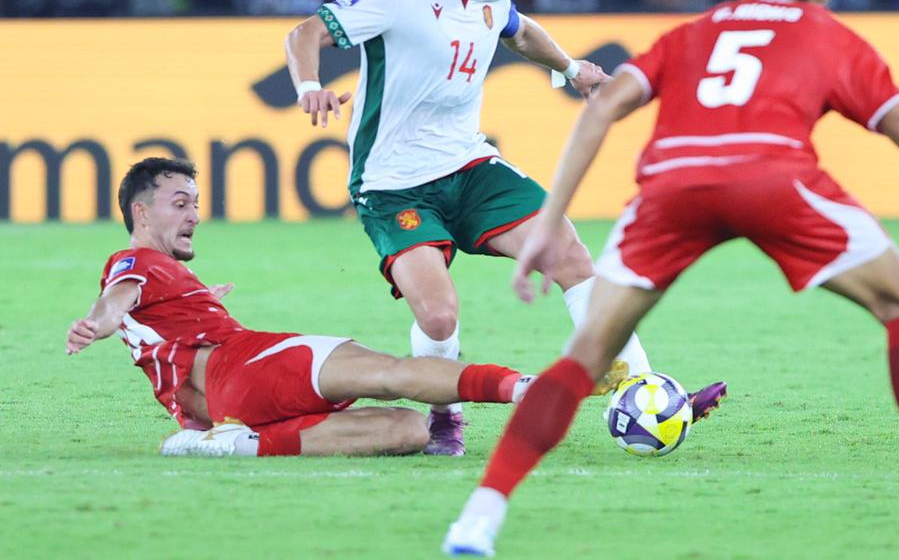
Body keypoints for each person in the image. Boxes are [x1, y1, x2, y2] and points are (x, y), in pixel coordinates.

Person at [443, 0, 899, 555]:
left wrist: (551, 219)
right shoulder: (829, 32)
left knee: (587, 355)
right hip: (774, 178)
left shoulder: (693, 32)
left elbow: (602, 107)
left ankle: (478, 520)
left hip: (673, 185)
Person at [284, 0, 725, 457]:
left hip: (469, 166)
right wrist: (310, 86)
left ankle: (642, 387)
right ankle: (445, 416)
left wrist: (573, 69)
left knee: (569, 252)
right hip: (393, 185)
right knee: (439, 316)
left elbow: (517, 28)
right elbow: (306, 33)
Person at [65, 157, 555, 458]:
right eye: (180, 204)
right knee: (387, 372)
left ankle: (244, 445)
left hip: (219, 410)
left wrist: (199, 300)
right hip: (243, 365)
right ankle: (528, 388)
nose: (195, 214)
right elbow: (117, 297)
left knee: (408, 429)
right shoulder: (135, 260)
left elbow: (141, 309)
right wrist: (96, 323)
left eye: (195, 202)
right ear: (141, 212)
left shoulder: (160, 278)